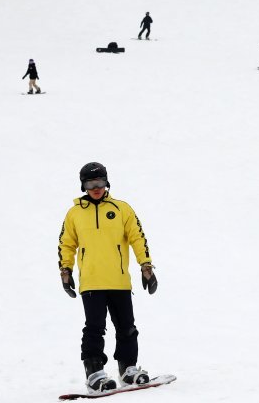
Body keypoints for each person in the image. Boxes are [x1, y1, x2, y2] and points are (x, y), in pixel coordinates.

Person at [58, 162, 158, 393]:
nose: (96, 188)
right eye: (91, 184)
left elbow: (137, 237)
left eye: (100, 183)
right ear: (83, 185)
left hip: (119, 280)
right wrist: (66, 270)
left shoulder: (122, 209)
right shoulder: (74, 213)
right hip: (91, 282)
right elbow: (67, 243)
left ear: (107, 182)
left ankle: (128, 369)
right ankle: (94, 373)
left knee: (127, 327)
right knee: (94, 328)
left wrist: (146, 266)